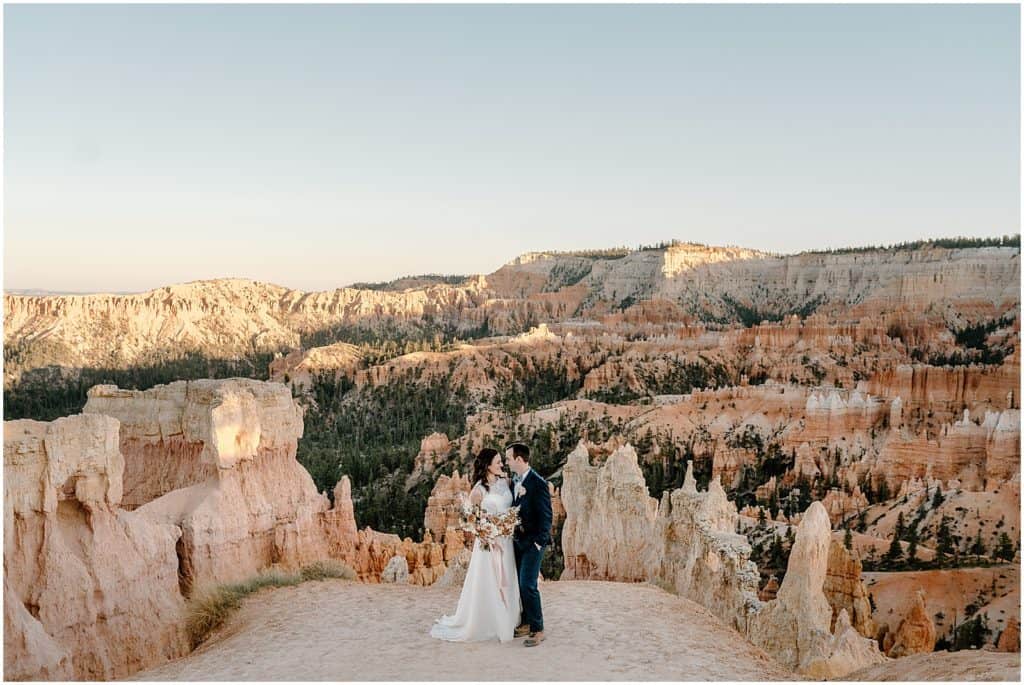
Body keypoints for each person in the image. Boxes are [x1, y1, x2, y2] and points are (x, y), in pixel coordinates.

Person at [430, 448, 521, 642]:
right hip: (488, 545)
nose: (501, 464)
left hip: (506, 542)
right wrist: (487, 534)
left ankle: (510, 619)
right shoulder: (478, 490)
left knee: (508, 578)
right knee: (490, 581)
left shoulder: (507, 482)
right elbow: (471, 519)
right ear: (487, 465)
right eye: (498, 462)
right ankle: (490, 622)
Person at [505, 442, 552, 647]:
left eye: (508, 458)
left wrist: (538, 543)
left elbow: (546, 517)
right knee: (518, 584)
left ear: (518, 459)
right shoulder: (515, 481)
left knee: (528, 585)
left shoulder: (538, 483)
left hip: (533, 543)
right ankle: (525, 622)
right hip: (518, 542)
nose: (506, 462)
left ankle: (538, 628)